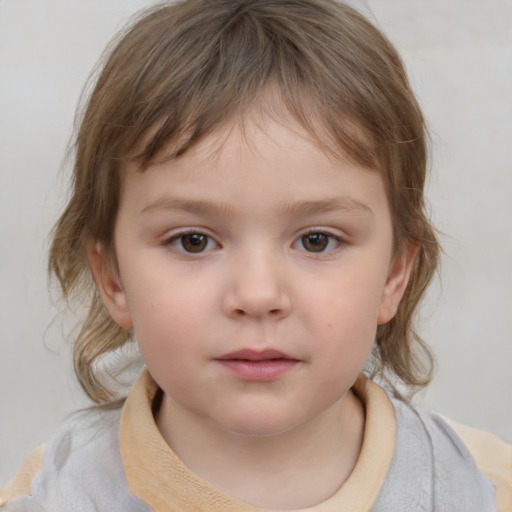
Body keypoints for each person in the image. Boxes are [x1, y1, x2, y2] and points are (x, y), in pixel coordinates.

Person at [1, 0, 510, 510]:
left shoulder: (483, 489)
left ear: (395, 274)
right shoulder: (51, 497)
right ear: (112, 277)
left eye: (317, 240)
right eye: (193, 241)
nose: (258, 294)